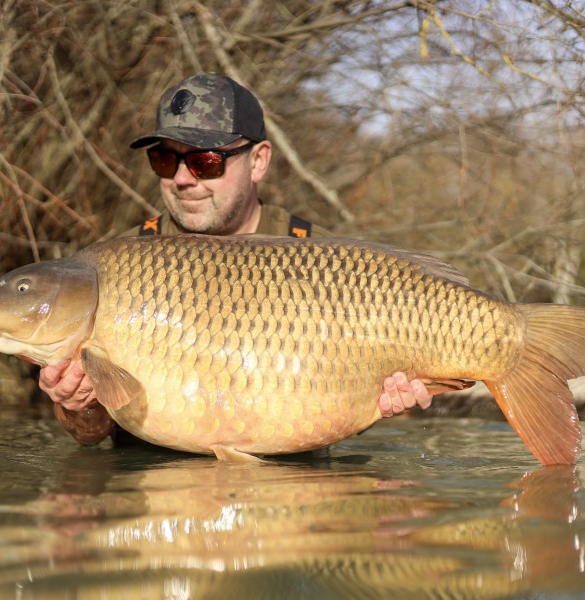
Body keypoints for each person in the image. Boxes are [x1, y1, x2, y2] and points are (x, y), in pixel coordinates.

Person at [40, 73, 433, 445]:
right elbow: (89, 437)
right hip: (153, 491)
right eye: (165, 159)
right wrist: (78, 406)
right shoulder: (117, 265)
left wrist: (384, 402)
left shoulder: (325, 260)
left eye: (205, 161)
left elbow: (347, 407)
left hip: (295, 494)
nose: (181, 178)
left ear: (259, 161)